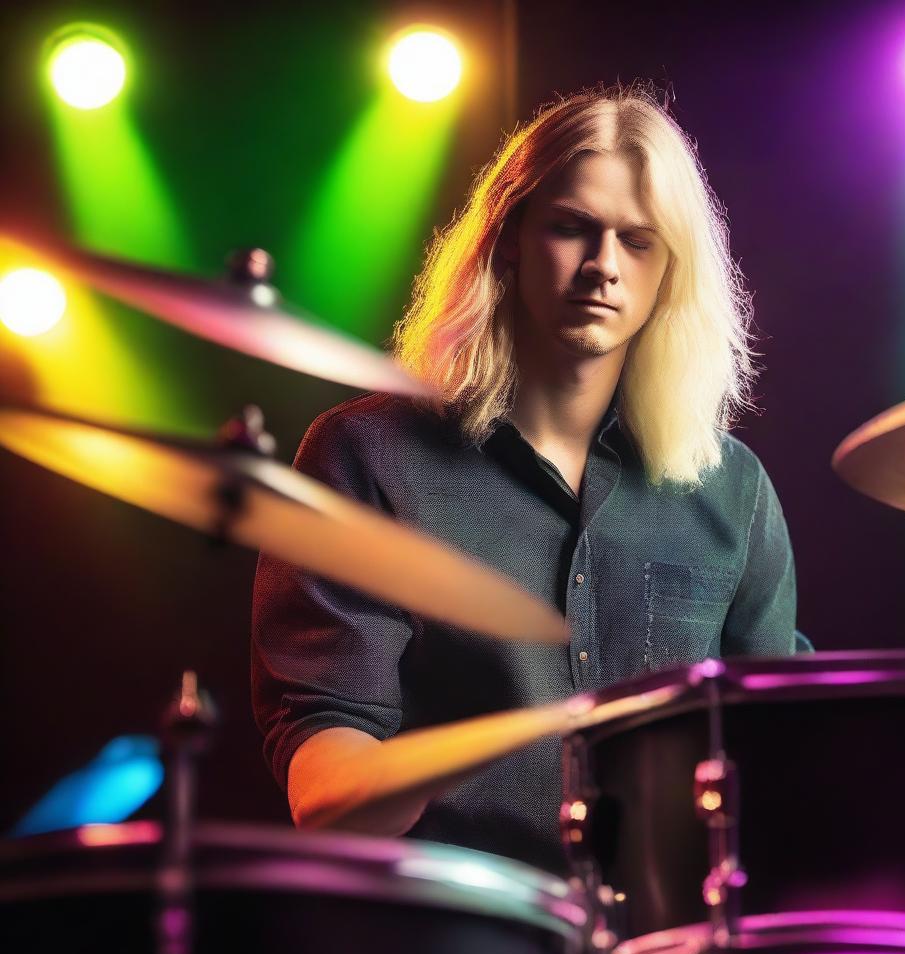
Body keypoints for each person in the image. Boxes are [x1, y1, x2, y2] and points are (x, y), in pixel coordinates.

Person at [251, 82, 797, 876]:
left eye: (638, 242)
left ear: (669, 272)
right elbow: (327, 797)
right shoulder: (367, 458)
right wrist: (520, 729)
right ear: (508, 239)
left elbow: (778, 758)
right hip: (457, 951)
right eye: (573, 228)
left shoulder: (732, 489)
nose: (603, 267)